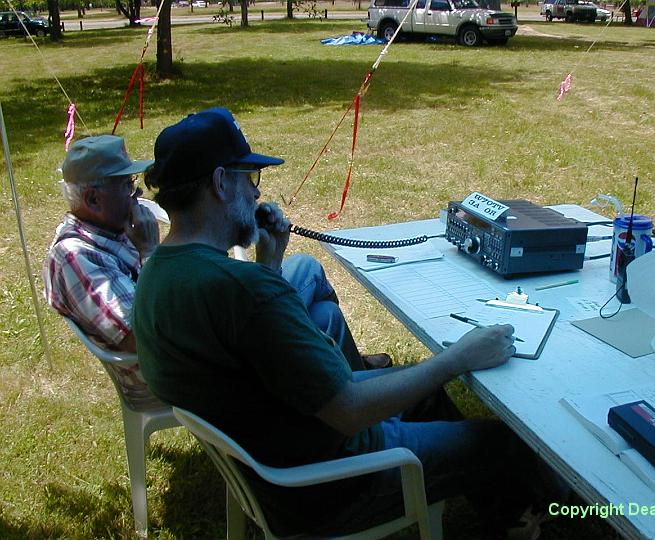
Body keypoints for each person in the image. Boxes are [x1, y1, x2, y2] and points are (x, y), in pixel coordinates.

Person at [132, 108, 552, 537]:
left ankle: (489, 497)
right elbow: (349, 410)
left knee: (427, 394)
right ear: (220, 183)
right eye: (249, 178)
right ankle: (520, 515)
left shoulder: (159, 273)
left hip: (279, 456)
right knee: (500, 443)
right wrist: (457, 358)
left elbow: (263, 348)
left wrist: (271, 262)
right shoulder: (242, 290)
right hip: (331, 484)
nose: (257, 194)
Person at [42, 135, 387, 376]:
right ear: (92, 200)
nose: (136, 194)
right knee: (310, 284)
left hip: (197, 333)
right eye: (126, 186)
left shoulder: (111, 230)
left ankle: (347, 372)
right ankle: (346, 380)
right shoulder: (75, 257)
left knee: (320, 304)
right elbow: (144, 335)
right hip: (181, 365)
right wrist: (150, 252)